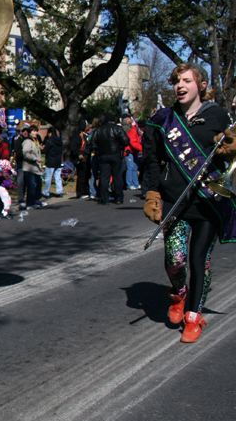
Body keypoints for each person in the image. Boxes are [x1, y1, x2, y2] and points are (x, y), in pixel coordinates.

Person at [142, 63, 233, 343]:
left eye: (186, 81)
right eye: (176, 81)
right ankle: (178, 294)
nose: (180, 86)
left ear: (201, 86)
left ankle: (194, 317)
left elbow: (230, 150)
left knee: (198, 258)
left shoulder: (218, 116)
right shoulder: (162, 120)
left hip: (208, 199)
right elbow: (153, 161)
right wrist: (152, 193)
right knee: (175, 261)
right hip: (174, 200)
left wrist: (231, 144)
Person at [91, 113, 129, 205]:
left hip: (103, 155)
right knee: (117, 177)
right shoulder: (117, 128)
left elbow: (93, 143)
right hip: (115, 154)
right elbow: (126, 141)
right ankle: (118, 198)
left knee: (104, 177)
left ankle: (104, 198)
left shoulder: (98, 130)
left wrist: (98, 150)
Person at [21, 125, 45, 209]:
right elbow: (26, 153)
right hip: (29, 167)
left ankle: (36, 200)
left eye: (36, 131)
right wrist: (35, 158)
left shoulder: (35, 141)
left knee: (38, 185)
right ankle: (30, 203)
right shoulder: (27, 141)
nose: (35, 133)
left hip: (36, 167)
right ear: (29, 132)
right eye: (33, 131)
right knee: (31, 185)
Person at [70, 120, 91, 199]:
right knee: (81, 176)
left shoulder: (86, 135)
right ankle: (80, 192)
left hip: (87, 157)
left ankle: (86, 191)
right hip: (81, 158)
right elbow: (73, 147)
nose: (89, 126)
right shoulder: (78, 135)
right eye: (88, 125)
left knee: (86, 175)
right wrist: (79, 154)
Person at [42, 126, 63, 198]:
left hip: (50, 160)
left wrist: (41, 148)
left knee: (48, 177)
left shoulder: (49, 141)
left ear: (50, 133)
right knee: (58, 177)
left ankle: (46, 192)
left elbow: (45, 151)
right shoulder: (59, 140)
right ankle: (60, 191)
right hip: (58, 160)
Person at [123, 115, 142, 190]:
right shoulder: (133, 131)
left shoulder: (135, 131)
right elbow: (133, 142)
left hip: (134, 151)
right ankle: (129, 184)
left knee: (135, 168)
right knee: (130, 168)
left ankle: (136, 183)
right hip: (129, 152)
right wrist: (141, 148)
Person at [13, 125, 31, 210]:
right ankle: (21, 199)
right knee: (21, 182)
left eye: (27, 130)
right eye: (24, 131)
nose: (25, 132)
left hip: (30, 165)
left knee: (29, 183)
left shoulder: (30, 140)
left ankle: (30, 200)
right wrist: (27, 154)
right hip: (21, 165)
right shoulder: (18, 141)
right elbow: (19, 153)